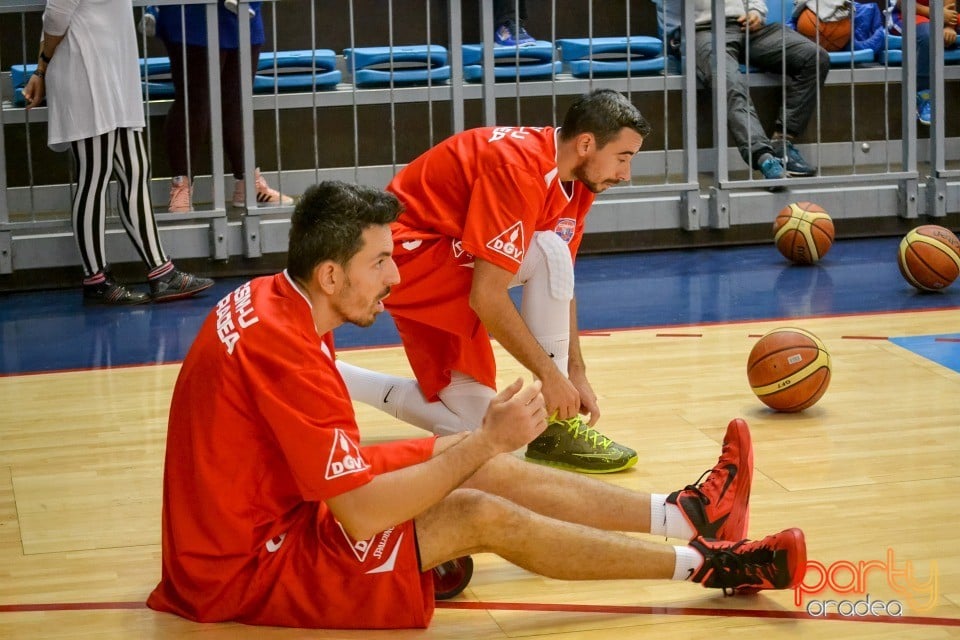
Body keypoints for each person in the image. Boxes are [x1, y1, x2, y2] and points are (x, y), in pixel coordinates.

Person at [146, 180, 806, 630]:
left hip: (263, 512)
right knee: (478, 506)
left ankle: (686, 514)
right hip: (247, 566)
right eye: (380, 262)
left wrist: (476, 450)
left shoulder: (270, 297)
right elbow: (359, 515)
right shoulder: (288, 354)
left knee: (471, 460)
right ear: (330, 274)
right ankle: (713, 566)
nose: (395, 277)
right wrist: (483, 443)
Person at [336, 90, 644, 474]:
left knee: (479, 431)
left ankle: (332, 373)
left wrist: (576, 373)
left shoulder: (579, 182)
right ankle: (558, 426)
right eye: (623, 157)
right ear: (585, 144)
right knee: (547, 249)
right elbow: (487, 295)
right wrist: (552, 380)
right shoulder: (520, 169)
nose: (626, 174)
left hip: (445, 259)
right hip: (403, 257)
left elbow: (561, 281)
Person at [22, 0, 213, 305]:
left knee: (135, 170)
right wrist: (42, 67)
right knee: (94, 175)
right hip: (85, 71)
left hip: (112, 72)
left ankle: (161, 272)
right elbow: (56, 16)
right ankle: (95, 278)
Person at [655, 0, 829, 179]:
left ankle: (781, 143)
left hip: (742, 26)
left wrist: (755, 12)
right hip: (698, 31)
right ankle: (763, 157)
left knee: (814, 58)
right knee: (728, 80)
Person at [155, 2, 294, 212]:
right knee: (195, 100)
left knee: (237, 100)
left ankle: (248, 183)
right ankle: (181, 186)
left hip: (244, 14)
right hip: (193, 15)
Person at [887, 0, 958, 126]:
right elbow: (902, 4)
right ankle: (923, 95)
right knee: (928, 35)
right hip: (907, 15)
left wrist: (949, 26)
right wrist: (936, 14)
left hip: (942, 15)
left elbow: (950, 5)